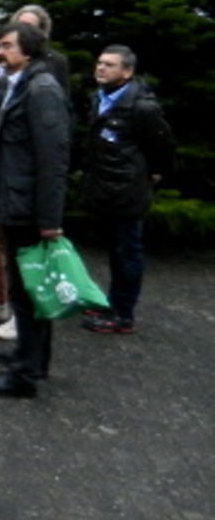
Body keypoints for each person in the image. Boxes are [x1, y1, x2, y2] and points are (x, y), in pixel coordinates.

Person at [0, 22, 70, 398]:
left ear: (27, 52)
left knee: (28, 289)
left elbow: (53, 158)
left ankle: (25, 374)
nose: (0, 52)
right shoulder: (17, 83)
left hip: (26, 207)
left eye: (7, 46)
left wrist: (50, 220)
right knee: (26, 286)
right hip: (10, 198)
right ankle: (32, 356)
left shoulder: (42, 90)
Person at [80, 45, 175, 334]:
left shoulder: (142, 107)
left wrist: (154, 175)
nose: (101, 68)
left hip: (128, 193)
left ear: (127, 71)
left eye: (109, 65)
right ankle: (111, 302)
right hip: (105, 189)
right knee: (115, 250)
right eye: (99, 63)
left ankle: (122, 315)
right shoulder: (101, 97)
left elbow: (163, 146)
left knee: (127, 253)